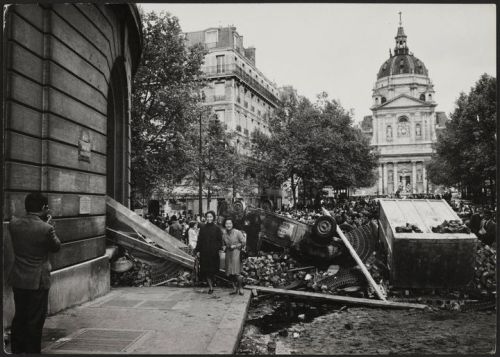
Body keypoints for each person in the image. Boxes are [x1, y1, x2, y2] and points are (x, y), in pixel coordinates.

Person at [9, 192, 61, 353]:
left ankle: (17, 350)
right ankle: (32, 351)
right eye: (47, 207)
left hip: (19, 279)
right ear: (44, 208)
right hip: (37, 281)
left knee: (20, 317)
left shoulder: (13, 223)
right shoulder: (46, 228)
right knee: (35, 321)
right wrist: (50, 226)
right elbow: (56, 247)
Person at [194, 211, 222, 294]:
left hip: (213, 253)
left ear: (213, 217)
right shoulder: (203, 228)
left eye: (211, 217)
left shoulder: (217, 228)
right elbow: (200, 240)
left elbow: (220, 241)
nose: (209, 218)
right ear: (206, 218)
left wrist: (217, 248)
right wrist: (197, 250)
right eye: (208, 217)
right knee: (206, 271)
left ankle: (213, 282)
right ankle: (211, 287)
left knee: (213, 270)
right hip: (204, 253)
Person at [222, 217, 246, 295]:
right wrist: (224, 247)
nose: (228, 225)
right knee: (229, 273)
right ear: (224, 225)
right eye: (226, 223)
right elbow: (224, 244)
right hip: (228, 254)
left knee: (236, 272)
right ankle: (234, 288)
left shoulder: (237, 232)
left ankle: (240, 287)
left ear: (232, 224)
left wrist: (235, 246)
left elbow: (243, 242)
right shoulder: (224, 234)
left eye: (230, 223)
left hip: (236, 253)